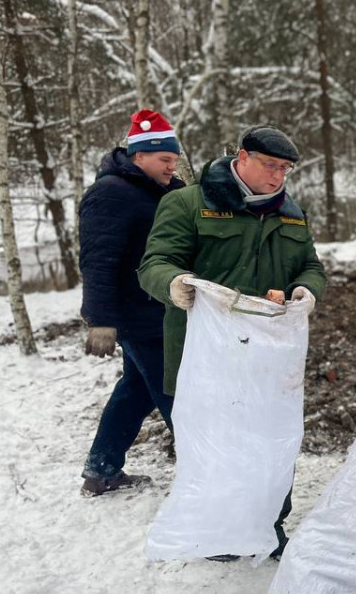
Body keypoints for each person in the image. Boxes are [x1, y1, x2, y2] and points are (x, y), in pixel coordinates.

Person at [138, 125, 327, 557]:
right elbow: (155, 263)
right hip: (205, 353)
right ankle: (220, 534)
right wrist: (174, 284)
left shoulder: (291, 213)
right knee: (217, 445)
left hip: (268, 353)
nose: (279, 177)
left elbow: (310, 265)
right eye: (270, 165)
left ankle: (270, 527)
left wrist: (306, 289)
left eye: (286, 169)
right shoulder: (188, 204)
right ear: (242, 158)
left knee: (270, 439)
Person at [79, 110, 186, 497]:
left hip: (161, 308)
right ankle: (205, 475)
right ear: (139, 155)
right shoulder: (111, 192)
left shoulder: (163, 191)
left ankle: (101, 469)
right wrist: (100, 320)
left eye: (174, 160)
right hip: (138, 315)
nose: (172, 167)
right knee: (176, 392)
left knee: (136, 389)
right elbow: (98, 259)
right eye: (164, 160)